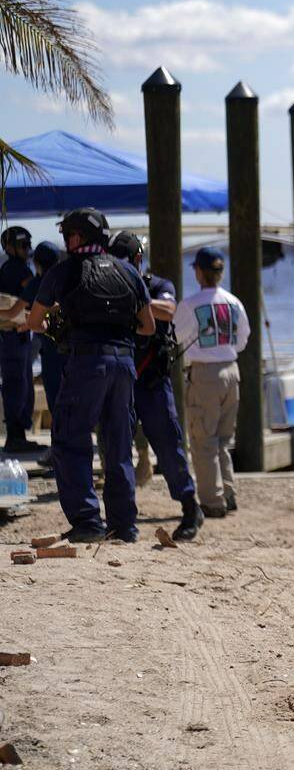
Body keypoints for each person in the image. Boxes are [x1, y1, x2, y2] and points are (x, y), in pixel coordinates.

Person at [23, 208, 155, 542]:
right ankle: (124, 526)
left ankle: (88, 522)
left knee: (71, 441)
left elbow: (34, 322)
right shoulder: (128, 272)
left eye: (68, 235)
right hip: (124, 364)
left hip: (86, 362)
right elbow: (148, 326)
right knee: (118, 443)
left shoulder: (62, 272)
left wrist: (59, 325)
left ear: (77, 237)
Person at [108, 231, 203, 540]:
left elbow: (169, 310)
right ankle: (121, 520)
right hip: (118, 380)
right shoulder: (104, 288)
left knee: (167, 444)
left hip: (151, 380)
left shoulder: (156, 286)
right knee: (116, 449)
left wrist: (135, 297)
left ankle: (190, 507)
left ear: (138, 260)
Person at [173, 247, 249, 518]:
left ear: (199, 272)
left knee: (203, 440)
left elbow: (177, 336)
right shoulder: (233, 302)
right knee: (223, 439)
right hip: (231, 371)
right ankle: (228, 493)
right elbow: (242, 340)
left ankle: (212, 502)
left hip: (205, 374)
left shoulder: (190, 304)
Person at [0, 226, 42, 454]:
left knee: (21, 384)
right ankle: (15, 437)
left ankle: (18, 435)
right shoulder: (14, 269)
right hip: (13, 337)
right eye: (22, 245)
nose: (27, 250)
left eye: (28, 245)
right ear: (9, 247)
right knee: (17, 384)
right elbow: (33, 290)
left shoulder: (16, 267)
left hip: (18, 335)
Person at [28, 241, 64, 467]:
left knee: (56, 403)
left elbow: (28, 316)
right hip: (73, 354)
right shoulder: (66, 279)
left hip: (51, 355)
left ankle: (58, 451)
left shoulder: (38, 284)